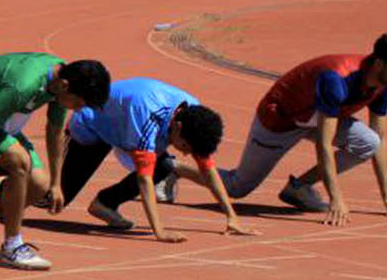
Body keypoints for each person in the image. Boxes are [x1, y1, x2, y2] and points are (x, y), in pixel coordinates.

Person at [219, 32, 387, 226]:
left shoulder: (385, 83)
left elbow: (380, 138)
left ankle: (298, 188)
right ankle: (191, 168)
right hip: (282, 120)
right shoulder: (336, 78)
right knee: (237, 188)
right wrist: (336, 198)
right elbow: (324, 144)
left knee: (370, 142)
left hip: (321, 117)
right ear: (379, 63)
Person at [0, 53, 111, 271]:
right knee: (19, 162)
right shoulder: (23, 85)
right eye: (79, 103)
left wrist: (56, 183)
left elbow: (55, 130)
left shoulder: (60, 82)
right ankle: (12, 247)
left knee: (38, 185)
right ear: (65, 85)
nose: (77, 109)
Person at [60, 78, 256, 242]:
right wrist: (159, 231)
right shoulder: (148, 116)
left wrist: (232, 217)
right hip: (90, 126)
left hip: (124, 129)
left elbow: (208, 170)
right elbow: (144, 179)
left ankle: (105, 203)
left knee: (164, 165)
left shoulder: (195, 118)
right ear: (177, 127)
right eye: (186, 147)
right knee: (55, 199)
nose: (187, 154)